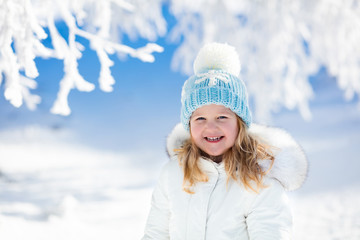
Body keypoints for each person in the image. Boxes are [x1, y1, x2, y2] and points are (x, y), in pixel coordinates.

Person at [142, 42, 308, 239]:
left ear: (240, 123)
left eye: (222, 117)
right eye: (200, 118)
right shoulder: (173, 173)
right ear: (188, 125)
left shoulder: (259, 179)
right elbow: (156, 233)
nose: (211, 127)